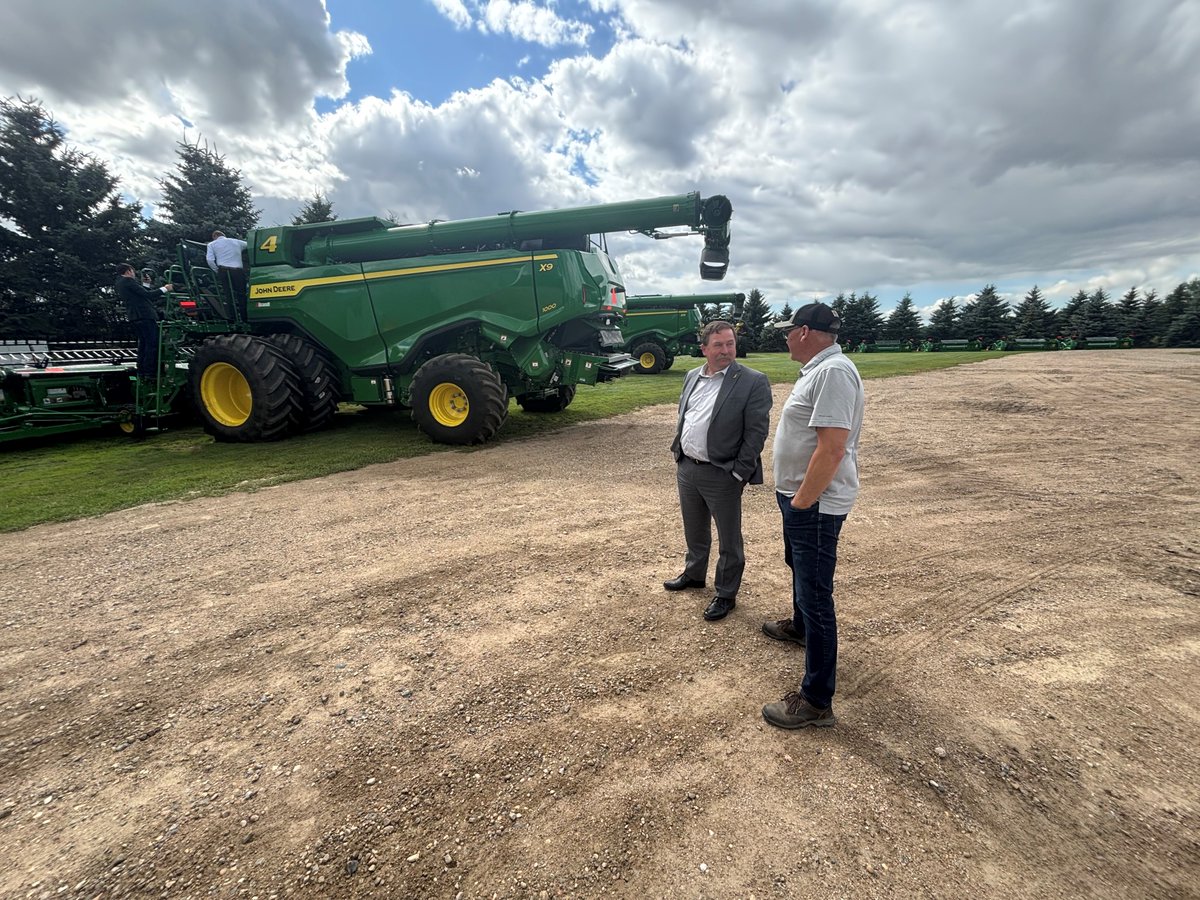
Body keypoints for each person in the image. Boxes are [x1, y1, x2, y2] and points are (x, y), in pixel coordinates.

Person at [760, 302, 865, 729]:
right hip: (802, 497)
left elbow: (833, 447)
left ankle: (816, 700)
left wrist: (802, 502)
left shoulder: (833, 373)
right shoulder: (821, 370)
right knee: (800, 573)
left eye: (788, 330)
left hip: (815, 503)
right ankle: (800, 628)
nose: (785, 337)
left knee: (816, 593)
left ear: (804, 332)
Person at [665, 320, 772, 621]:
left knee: (729, 539)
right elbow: (685, 416)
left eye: (730, 344)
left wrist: (739, 471)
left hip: (722, 472)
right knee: (694, 529)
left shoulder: (752, 380)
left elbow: (756, 433)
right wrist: (679, 452)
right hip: (687, 467)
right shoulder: (691, 376)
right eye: (718, 345)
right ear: (704, 349)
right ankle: (695, 574)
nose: (726, 351)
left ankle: (726, 593)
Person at [114, 264, 173, 378]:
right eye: (133, 271)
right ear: (129, 271)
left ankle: (142, 369)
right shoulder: (128, 281)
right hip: (144, 315)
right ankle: (150, 371)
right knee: (152, 343)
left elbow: (141, 294)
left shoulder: (121, 283)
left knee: (144, 344)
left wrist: (146, 284)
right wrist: (165, 288)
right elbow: (148, 295)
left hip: (135, 316)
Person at [206, 230, 248, 303]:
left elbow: (210, 260)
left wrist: (216, 270)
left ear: (215, 236)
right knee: (241, 293)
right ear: (223, 235)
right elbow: (250, 245)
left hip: (223, 271)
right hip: (237, 271)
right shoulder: (237, 242)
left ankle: (231, 313)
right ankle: (243, 312)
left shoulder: (212, 244)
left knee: (228, 294)